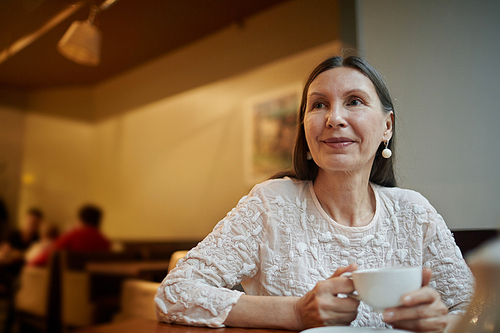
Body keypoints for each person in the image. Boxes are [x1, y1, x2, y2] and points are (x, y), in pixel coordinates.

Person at [155, 56, 474, 332]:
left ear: (386, 126)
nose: (334, 118)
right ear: (306, 129)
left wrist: (442, 324)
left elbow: (477, 309)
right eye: (319, 104)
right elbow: (174, 293)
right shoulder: (271, 204)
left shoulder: (414, 212)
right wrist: (295, 312)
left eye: (354, 101)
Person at [29, 204, 110, 266]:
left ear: (80, 220)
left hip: (68, 283)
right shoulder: (105, 242)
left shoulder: (73, 235)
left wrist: (31, 263)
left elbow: (47, 257)